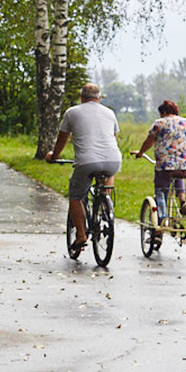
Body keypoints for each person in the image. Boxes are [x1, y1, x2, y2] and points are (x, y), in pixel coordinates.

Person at [45, 83, 122, 250]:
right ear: (99, 98)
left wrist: (54, 156)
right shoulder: (109, 113)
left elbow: (62, 139)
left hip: (87, 162)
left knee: (75, 196)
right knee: (108, 172)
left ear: (81, 98)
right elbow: (113, 138)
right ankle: (104, 201)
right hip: (113, 160)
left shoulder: (72, 112)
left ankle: (81, 235)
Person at [130, 99, 186, 228]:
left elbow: (149, 141)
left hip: (164, 165)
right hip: (184, 164)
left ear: (164, 112)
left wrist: (140, 153)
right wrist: (183, 156)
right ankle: (183, 201)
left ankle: (161, 219)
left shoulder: (159, 123)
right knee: (178, 175)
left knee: (161, 189)